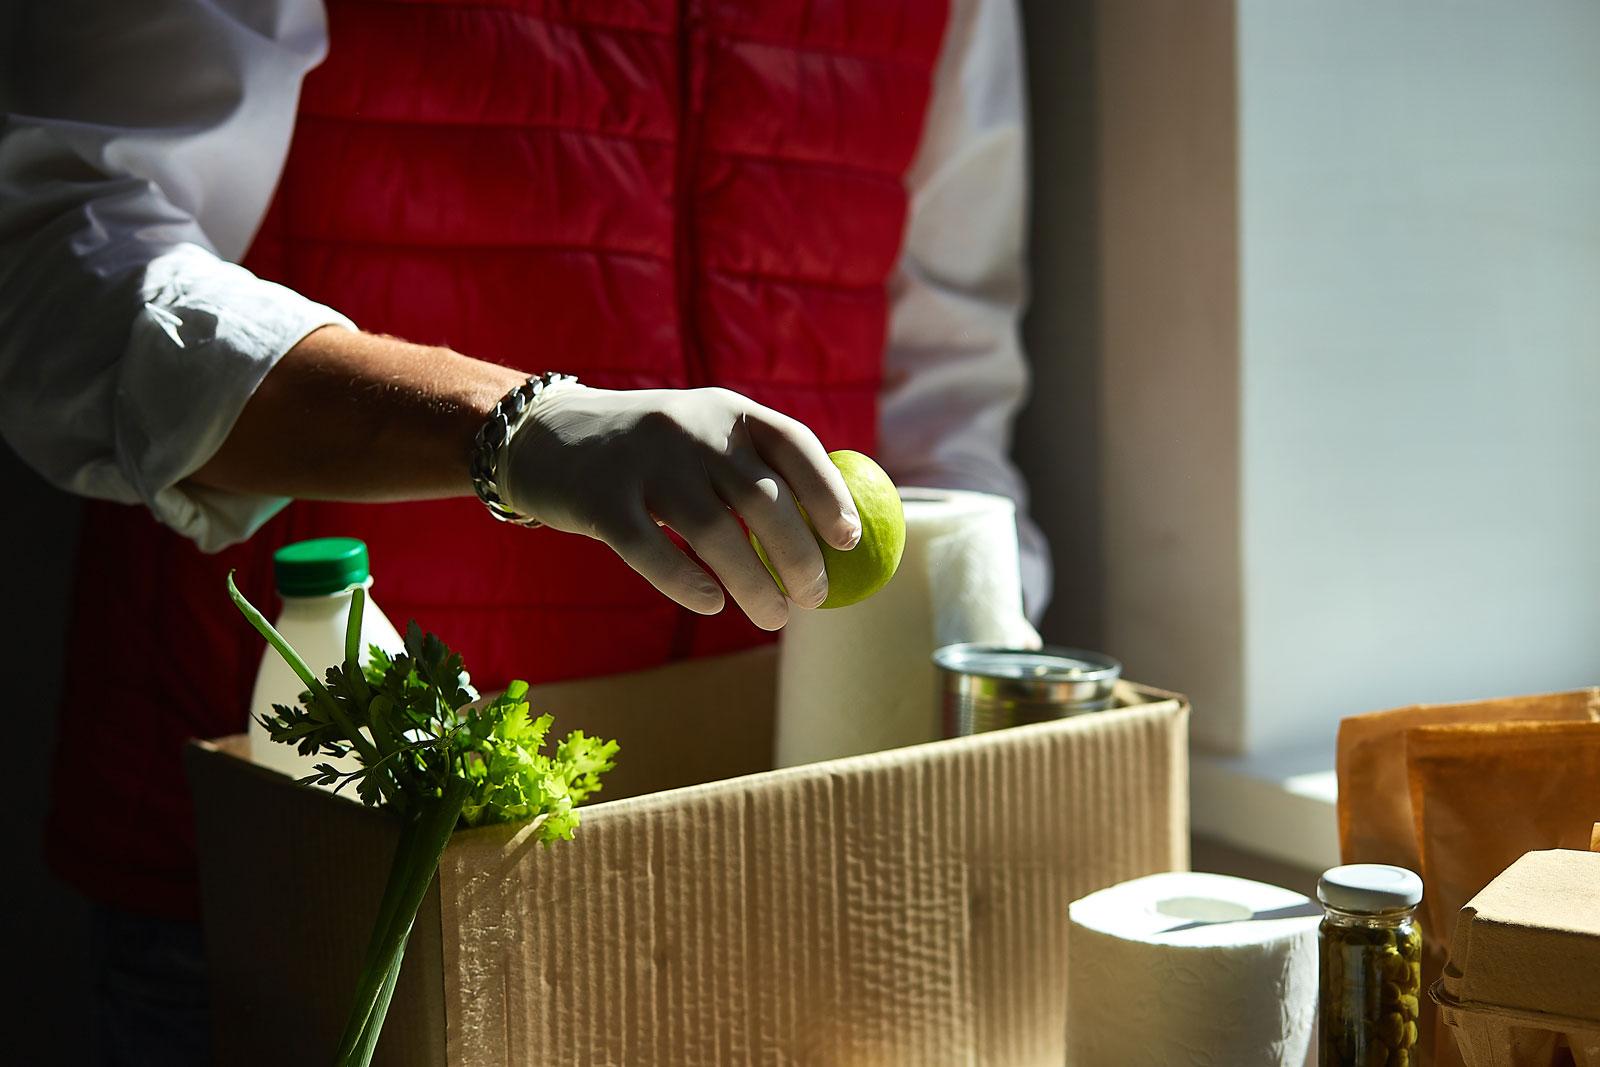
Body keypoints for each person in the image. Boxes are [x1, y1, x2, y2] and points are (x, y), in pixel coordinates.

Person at [0, 0, 1048, 1061]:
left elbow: (944, 381)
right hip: (313, 858)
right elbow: (63, 269)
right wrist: (519, 428)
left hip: (772, 851)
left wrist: (984, 642)